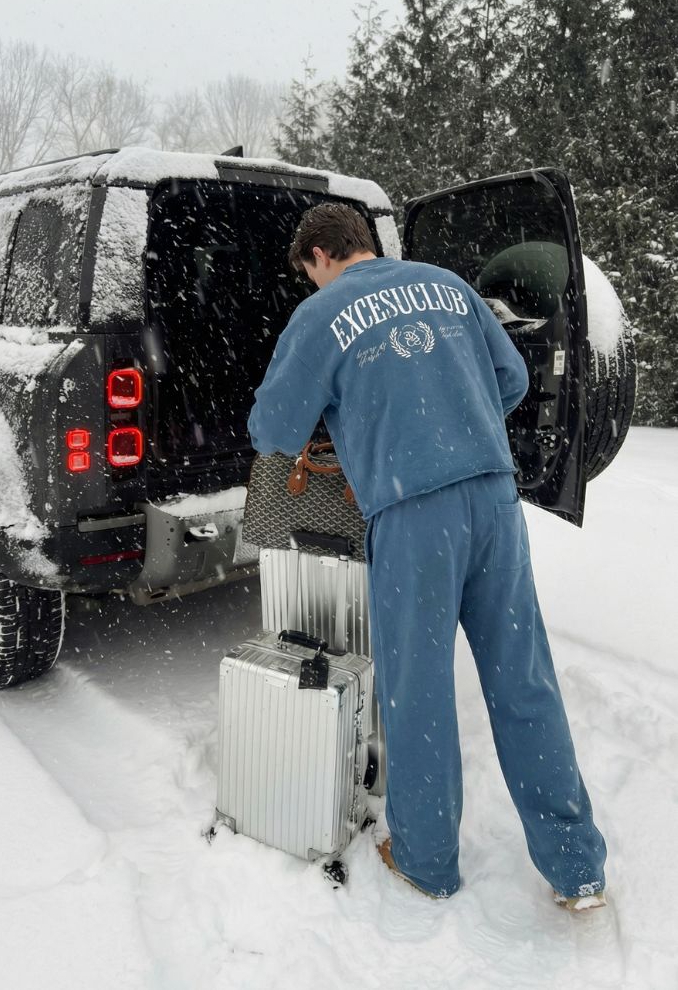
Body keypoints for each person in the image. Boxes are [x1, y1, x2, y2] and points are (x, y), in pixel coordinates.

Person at [247, 202, 607, 911]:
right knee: (524, 680)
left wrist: (355, 409)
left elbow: (274, 427)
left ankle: (426, 860)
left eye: (308, 274)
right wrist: (446, 406)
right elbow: (511, 379)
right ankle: (578, 868)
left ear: (319, 256)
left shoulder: (322, 316)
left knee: (419, 691)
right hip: (495, 501)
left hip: (414, 514)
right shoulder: (448, 284)